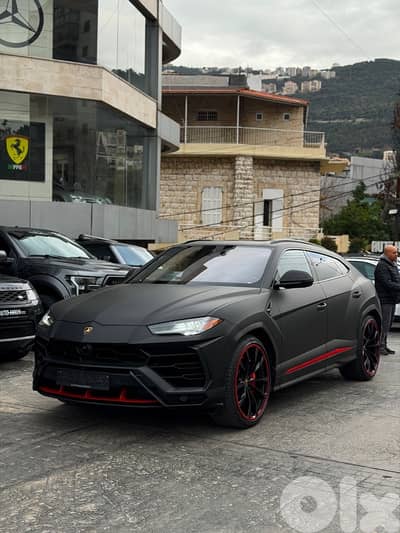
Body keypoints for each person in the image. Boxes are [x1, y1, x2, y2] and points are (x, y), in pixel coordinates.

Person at [374, 244, 400, 355]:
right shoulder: (382, 266)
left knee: (388, 324)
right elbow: (387, 283)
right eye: (394, 253)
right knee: (384, 324)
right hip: (385, 299)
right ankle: (380, 346)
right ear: (387, 253)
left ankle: (384, 345)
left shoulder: (392, 264)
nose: (396, 254)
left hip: (392, 299)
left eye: (397, 252)